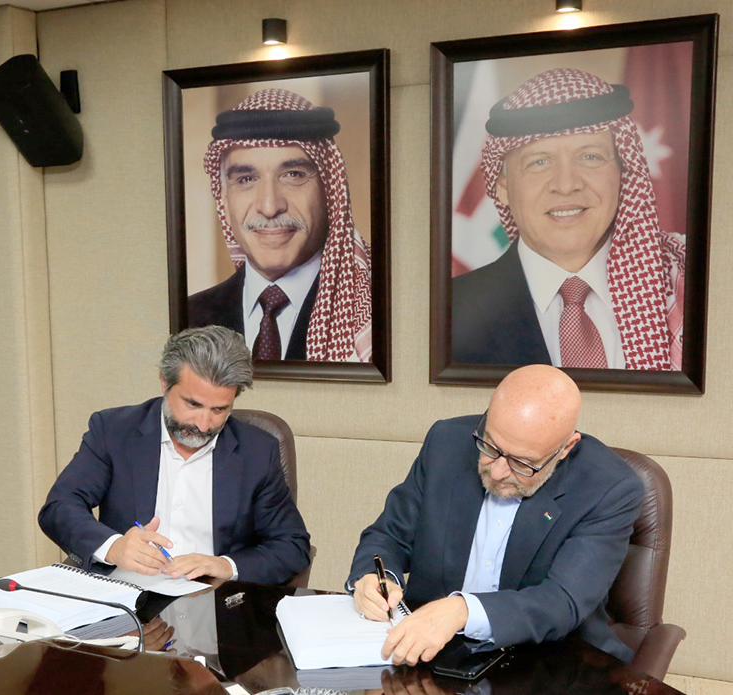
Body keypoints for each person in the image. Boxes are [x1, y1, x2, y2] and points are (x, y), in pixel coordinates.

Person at [347, 364, 642, 665]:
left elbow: (562, 601)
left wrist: (463, 610)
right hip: (433, 655)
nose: (498, 471)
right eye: (491, 446)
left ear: (565, 448)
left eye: (522, 463)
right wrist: (374, 578)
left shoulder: (608, 487)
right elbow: (389, 536)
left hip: (550, 661)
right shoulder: (446, 443)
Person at [38, 325, 310, 584]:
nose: (203, 425)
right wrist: (114, 547)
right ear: (164, 382)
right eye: (193, 404)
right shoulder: (114, 431)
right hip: (126, 594)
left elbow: (292, 545)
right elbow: (59, 507)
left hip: (212, 600)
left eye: (219, 410)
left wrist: (225, 565)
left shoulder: (257, 452)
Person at [453, 68, 686, 370]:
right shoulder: (449, 312)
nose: (566, 184)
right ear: (502, 187)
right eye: (539, 161)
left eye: (590, 157)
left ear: (623, 172)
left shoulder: (686, 286)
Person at [187, 87, 372, 363]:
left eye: (293, 175)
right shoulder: (190, 319)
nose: (270, 206)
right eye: (246, 179)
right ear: (224, 200)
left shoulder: (373, 316)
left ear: (330, 192)